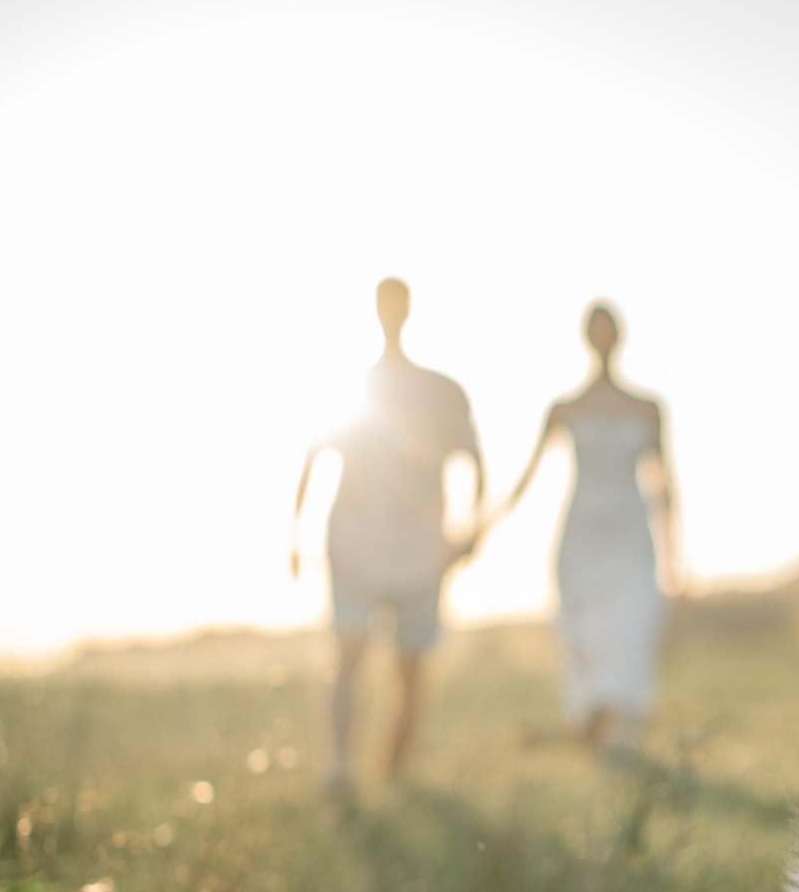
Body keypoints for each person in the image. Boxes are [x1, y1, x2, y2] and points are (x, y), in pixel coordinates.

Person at [289, 278, 483, 788]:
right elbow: (313, 460)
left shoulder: (442, 391)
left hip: (422, 546)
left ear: (408, 310)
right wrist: (295, 533)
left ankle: (394, 774)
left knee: (411, 666)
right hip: (354, 540)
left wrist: (470, 529)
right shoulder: (352, 387)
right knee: (348, 653)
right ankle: (338, 769)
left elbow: (473, 462)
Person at [495, 300, 680, 750]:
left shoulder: (648, 407)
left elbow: (664, 484)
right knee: (580, 631)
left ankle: (621, 725)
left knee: (631, 625)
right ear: (586, 337)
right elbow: (526, 476)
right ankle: (592, 718)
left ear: (619, 336)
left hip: (631, 532)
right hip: (581, 534)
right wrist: (485, 527)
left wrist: (677, 555)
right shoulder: (564, 408)